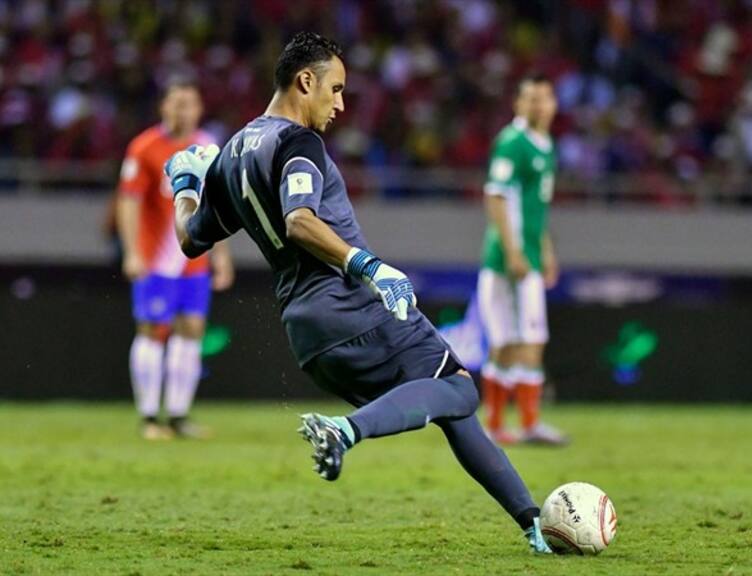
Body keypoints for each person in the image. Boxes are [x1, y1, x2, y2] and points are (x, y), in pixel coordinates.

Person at [163, 32, 552, 553]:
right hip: (352, 306)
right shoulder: (297, 142)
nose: (341, 104)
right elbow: (300, 220)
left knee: (448, 395)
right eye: (336, 89)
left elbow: (190, 240)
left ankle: (530, 520)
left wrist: (185, 190)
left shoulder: (232, 154)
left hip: (307, 333)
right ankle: (345, 432)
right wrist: (367, 266)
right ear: (306, 81)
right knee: (461, 389)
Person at [116, 78, 234, 440]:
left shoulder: (208, 148)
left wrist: (222, 256)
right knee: (153, 330)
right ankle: (150, 418)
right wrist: (133, 251)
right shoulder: (144, 148)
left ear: (199, 110)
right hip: (156, 260)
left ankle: (179, 416)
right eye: (177, 103)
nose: (183, 110)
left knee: (192, 330)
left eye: (190, 104)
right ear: (163, 108)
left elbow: (217, 208)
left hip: (193, 261)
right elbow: (128, 202)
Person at [477, 74, 567, 446]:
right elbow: (495, 197)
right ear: (518, 104)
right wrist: (513, 252)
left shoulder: (546, 146)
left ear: (554, 104)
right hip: (508, 260)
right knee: (523, 341)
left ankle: (501, 424)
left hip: (527, 255)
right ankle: (521, 425)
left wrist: (545, 251)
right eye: (530, 98)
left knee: (516, 342)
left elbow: (535, 210)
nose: (538, 105)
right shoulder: (512, 143)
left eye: (544, 98)